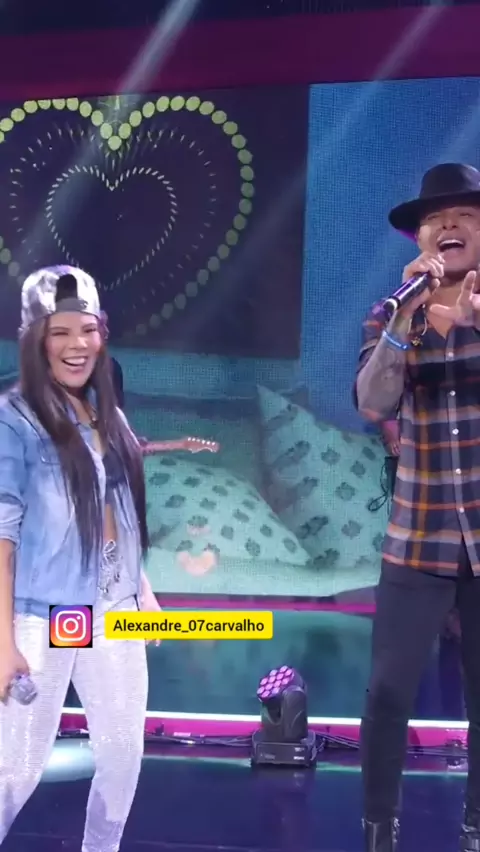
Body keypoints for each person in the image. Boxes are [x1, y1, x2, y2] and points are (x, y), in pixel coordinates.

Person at [0, 265, 160, 851]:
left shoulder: (107, 414)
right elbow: (2, 536)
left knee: (122, 758)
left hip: (114, 606)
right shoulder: (13, 419)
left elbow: (119, 514)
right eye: (60, 332)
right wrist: (3, 640)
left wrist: (142, 591)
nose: (77, 345)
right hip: (44, 613)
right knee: (16, 769)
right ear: (35, 340)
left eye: (88, 330)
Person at [354, 163, 480, 852]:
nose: (449, 225)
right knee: (388, 692)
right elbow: (373, 401)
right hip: (417, 537)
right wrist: (405, 320)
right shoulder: (390, 311)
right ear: (421, 240)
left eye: (465, 216)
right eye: (436, 219)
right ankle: (380, 829)